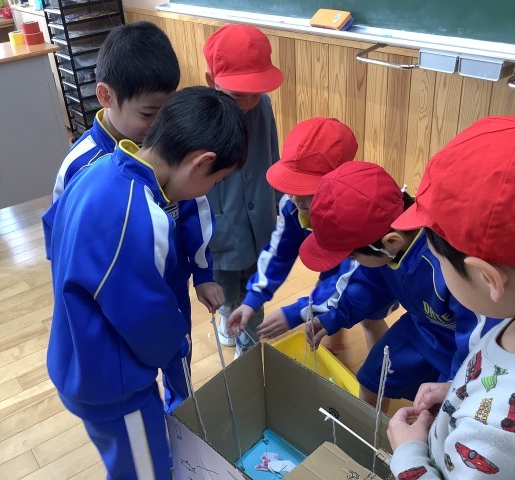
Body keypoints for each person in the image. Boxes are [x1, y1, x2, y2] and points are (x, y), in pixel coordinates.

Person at [42, 86, 248, 479]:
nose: (210, 191)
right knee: (144, 472)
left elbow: (54, 231)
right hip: (114, 383)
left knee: (131, 460)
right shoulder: (142, 216)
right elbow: (145, 318)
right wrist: (178, 345)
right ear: (201, 163)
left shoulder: (96, 169)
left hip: (76, 354)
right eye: (216, 180)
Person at [50, 21, 224, 413]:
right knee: (134, 360)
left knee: (177, 350)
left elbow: (194, 209)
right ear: (106, 96)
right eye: (149, 113)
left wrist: (204, 273)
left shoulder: (172, 145)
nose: (159, 127)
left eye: (167, 112)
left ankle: (181, 410)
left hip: (170, 284)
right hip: (113, 302)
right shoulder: (80, 164)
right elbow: (59, 237)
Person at [387, 116, 515, 479]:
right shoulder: (514, 317)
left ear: (487, 278)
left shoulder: (493, 434)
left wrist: (408, 454)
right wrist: (459, 393)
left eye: (438, 257)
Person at [300, 161, 494, 410]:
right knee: (371, 379)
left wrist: (456, 382)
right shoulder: (384, 248)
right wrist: (333, 317)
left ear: (391, 241)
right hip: (419, 330)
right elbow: (368, 285)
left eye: (353, 256)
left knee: (439, 409)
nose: (353, 261)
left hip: (464, 348)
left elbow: (479, 332)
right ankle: (367, 428)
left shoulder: (447, 265)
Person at [227, 117, 388, 351]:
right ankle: (334, 343)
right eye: (291, 185)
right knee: (328, 289)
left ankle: (380, 369)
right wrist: (253, 298)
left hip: (372, 274)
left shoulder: (359, 217)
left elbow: (354, 279)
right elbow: (278, 254)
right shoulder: (293, 206)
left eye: (306, 189)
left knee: (369, 318)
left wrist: (296, 313)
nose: (295, 197)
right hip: (334, 263)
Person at [203, 23, 282, 357]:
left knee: (253, 293)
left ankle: (247, 351)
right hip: (222, 229)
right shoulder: (201, 119)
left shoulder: (262, 106)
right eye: (238, 94)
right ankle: (227, 319)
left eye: (256, 92)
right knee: (225, 293)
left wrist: (279, 202)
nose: (249, 102)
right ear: (211, 81)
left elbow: (273, 156)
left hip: (260, 221)